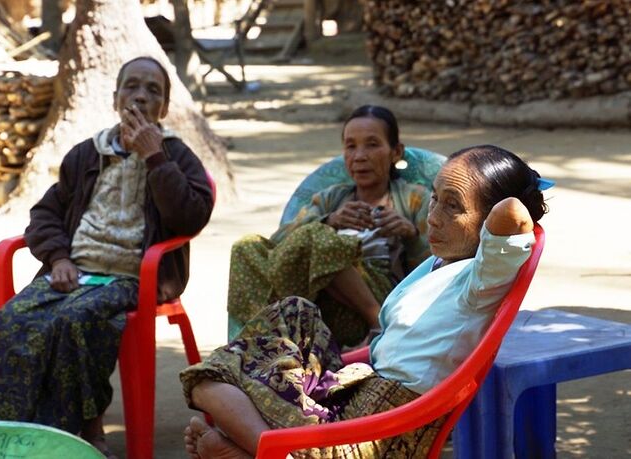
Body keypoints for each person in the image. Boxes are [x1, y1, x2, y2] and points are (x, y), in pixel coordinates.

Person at [180, 144, 549, 459]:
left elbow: (513, 219)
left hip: (379, 427)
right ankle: (257, 444)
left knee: (208, 383)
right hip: (360, 390)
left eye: (453, 206)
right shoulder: (443, 264)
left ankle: (262, 449)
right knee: (295, 311)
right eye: (435, 197)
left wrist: (515, 195)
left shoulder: (482, 279)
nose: (432, 218)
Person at [0, 56, 214, 458]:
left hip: (133, 277)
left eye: (153, 91)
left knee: (74, 321)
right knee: (13, 319)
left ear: (164, 108)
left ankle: (82, 434)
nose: (141, 96)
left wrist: (155, 157)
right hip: (75, 272)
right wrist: (59, 258)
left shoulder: (176, 155)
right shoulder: (86, 154)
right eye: (132, 87)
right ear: (115, 98)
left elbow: (191, 216)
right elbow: (45, 213)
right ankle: (20, 431)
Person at [228, 105, 431, 347]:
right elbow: (280, 243)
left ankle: (377, 321)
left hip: (383, 301)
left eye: (372, 144)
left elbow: (441, 268)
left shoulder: (416, 199)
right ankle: (263, 342)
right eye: (351, 146)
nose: (359, 156)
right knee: (246, 247)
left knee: (318, 235)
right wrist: (330, 221)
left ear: (396, 152)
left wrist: (410, 235)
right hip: (321, 305)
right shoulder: (330, 199)